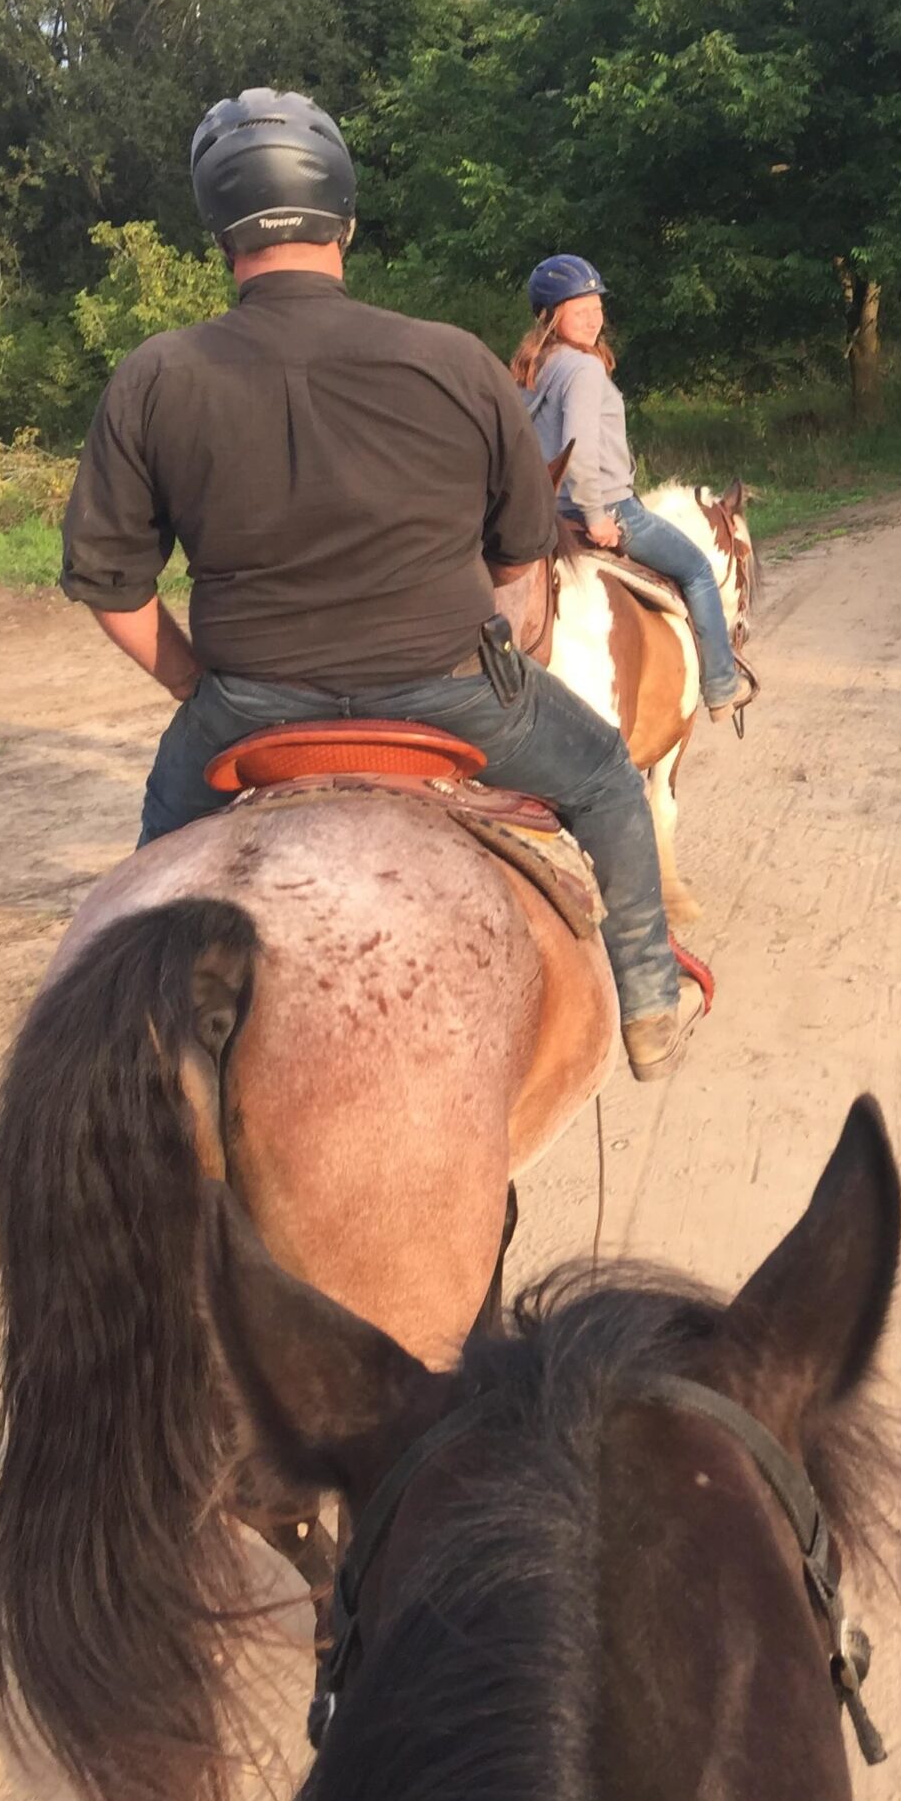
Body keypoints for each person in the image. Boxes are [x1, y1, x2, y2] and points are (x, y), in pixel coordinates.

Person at [58, 89, 703, 1081]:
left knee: (147, 885)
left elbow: (111, 586)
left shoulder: (155, 376)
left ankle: (127, 1053)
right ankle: (652, 999)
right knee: (610, 777)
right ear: (345, 223)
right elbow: (523, 550)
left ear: (222, 232)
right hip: (450, 690)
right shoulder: (452, 359)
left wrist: (201, 688)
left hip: (245, 708)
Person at [512, 257, 754, 722]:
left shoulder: (533, 369)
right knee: (699, 570)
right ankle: (723, 684)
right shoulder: (582, 370)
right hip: (607, 508)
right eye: (576, 307)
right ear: (548, 316)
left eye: (595, 304)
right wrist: (597, 514)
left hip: (547, 515)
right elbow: (577, 451)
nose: (592, 315)